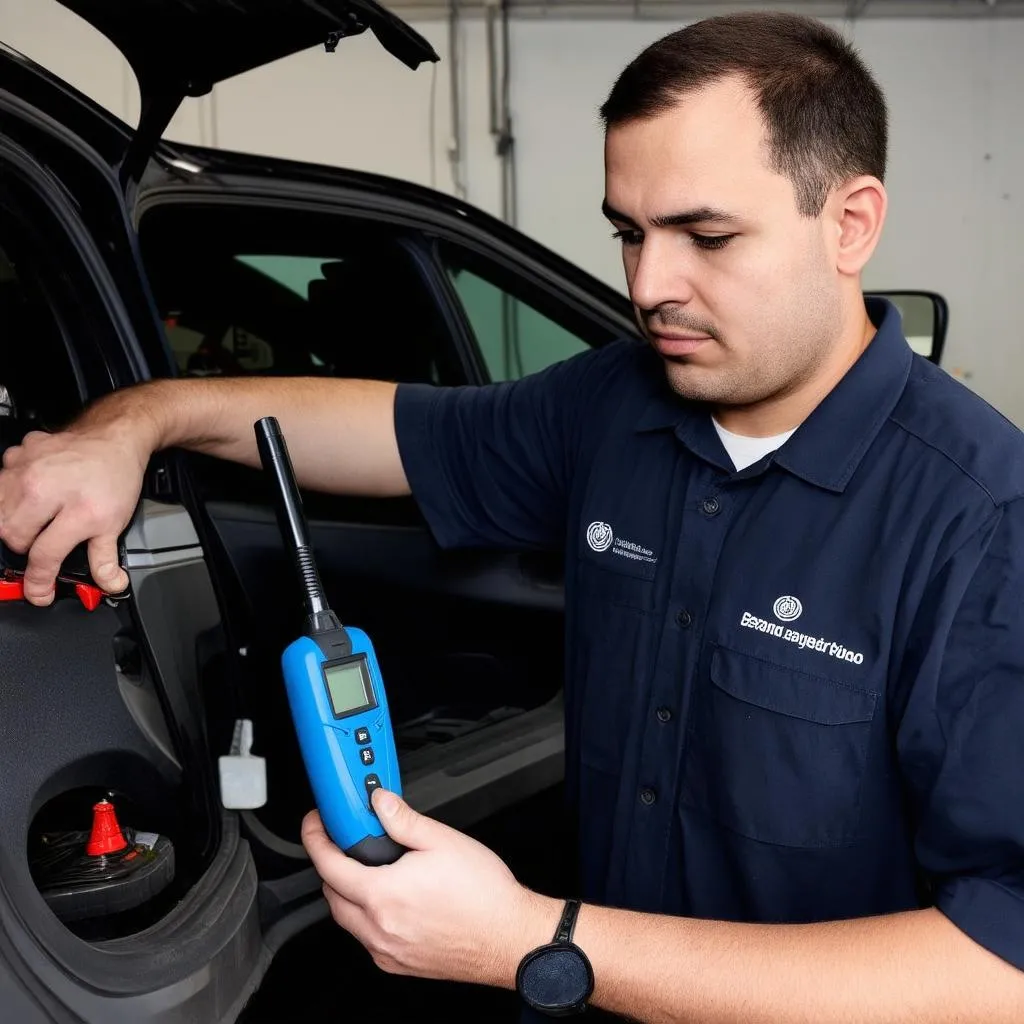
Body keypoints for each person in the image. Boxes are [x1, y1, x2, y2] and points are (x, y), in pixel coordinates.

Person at [1, 10, 1023, 1021]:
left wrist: (541, 941)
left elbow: (1000, 967)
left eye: (706, 236)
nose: (651, 286)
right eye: (629, 233)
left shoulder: (983, 522)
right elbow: (381, 431)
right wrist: (135, 424)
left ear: (849, 223)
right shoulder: (614, 405)